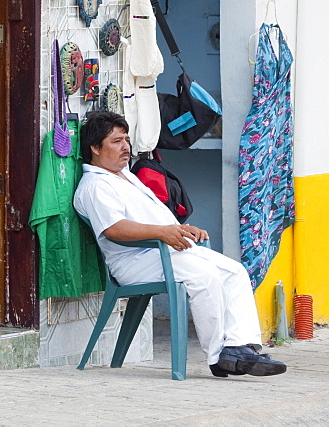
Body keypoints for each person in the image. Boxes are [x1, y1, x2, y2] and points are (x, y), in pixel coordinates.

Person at [73, 111, 286, 377]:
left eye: (126, 139)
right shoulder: (95, 185)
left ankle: (238, 345)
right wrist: (163, 232)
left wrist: (181, 230)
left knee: (235, 272)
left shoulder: (125, 175)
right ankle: (218, 355)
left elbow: (149, 217)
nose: (126, 146)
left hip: (163, 252)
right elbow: (114, 229)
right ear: (95, 148)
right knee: (204, 275)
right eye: (116, 141)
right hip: (135, 262)